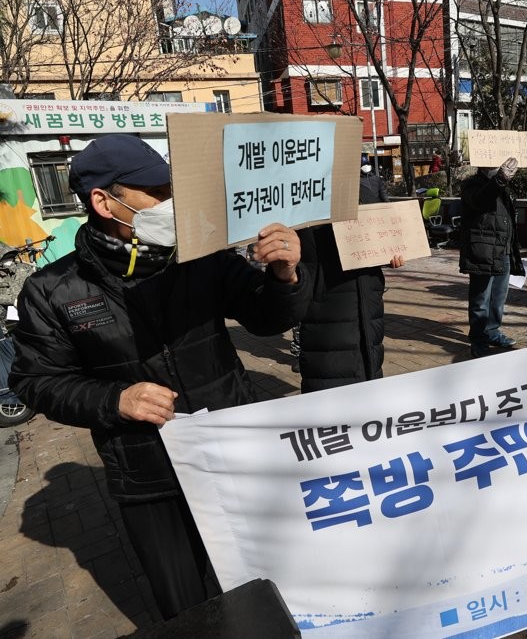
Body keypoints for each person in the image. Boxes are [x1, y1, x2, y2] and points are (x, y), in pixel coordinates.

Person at [9, 134, 310, 620]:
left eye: (172, 190)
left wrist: (284, 276)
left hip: (231, 453)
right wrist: (114, 399)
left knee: (271, 586)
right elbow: (36, 380)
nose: (171, 204)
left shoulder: (198, 258)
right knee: (188, 609)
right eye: (157, 193)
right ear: (105, 202)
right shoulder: (52, 290)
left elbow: (266, 318)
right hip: (146, 475)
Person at [296, 160, 403, 391]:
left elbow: (368, 248)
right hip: (330, 341)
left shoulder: (361, 190)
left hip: (369, 326)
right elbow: (295, 290)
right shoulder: (302, 210)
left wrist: (385, 252)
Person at [460, 156, 524, 358]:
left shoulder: (502, 185)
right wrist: (500, 179)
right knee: (481, 300)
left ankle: (492, 332)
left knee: (498, 298)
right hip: (483, 251)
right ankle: (478, 340)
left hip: (502, 250)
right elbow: (480, 201)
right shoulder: (471, 185)